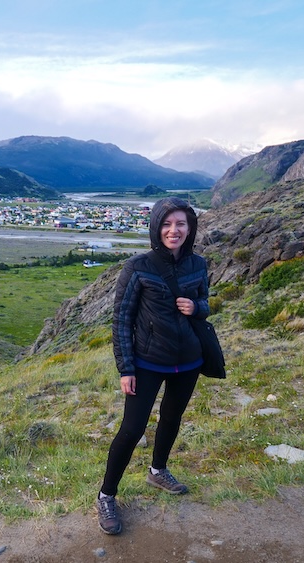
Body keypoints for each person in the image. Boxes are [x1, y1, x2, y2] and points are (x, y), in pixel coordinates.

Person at [96, 196, 210, 535]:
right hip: (147, 361)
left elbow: (205, 302)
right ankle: (106, 495)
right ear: (156, 227)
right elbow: (121, 320)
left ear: (190, 229)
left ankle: (158, 470)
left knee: (172, 418)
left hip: (188, 360)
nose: (173, 230)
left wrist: (197, 307)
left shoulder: (199, 264)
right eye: (167, 223)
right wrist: (126, 368)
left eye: (181, 224)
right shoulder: (138, 267)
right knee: (131, 430)